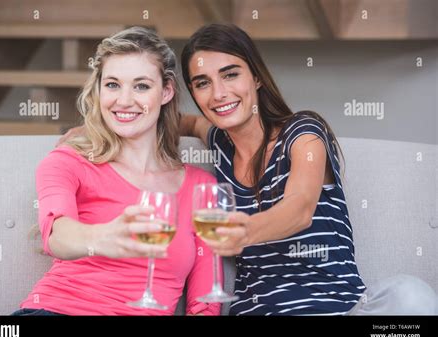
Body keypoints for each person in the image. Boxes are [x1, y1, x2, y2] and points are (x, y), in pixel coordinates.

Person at [178, 24, 436, 315]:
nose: (218, 94)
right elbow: (181, 122)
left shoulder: (303, 134)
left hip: (338, 310)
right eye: (202, 83)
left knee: (410, 296)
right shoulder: (219, 143)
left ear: (257, 77)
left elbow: (298, 209)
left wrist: (242, 231)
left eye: (230, 74)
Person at [12, 27, 220, 316]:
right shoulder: (68, 161)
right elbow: (56, 235)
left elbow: (206, 300)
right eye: (112, 85)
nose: (124, 100)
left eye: (141, 86)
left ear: (166, 91)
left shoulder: (202, 187)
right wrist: (101, 237)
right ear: (98, 90)